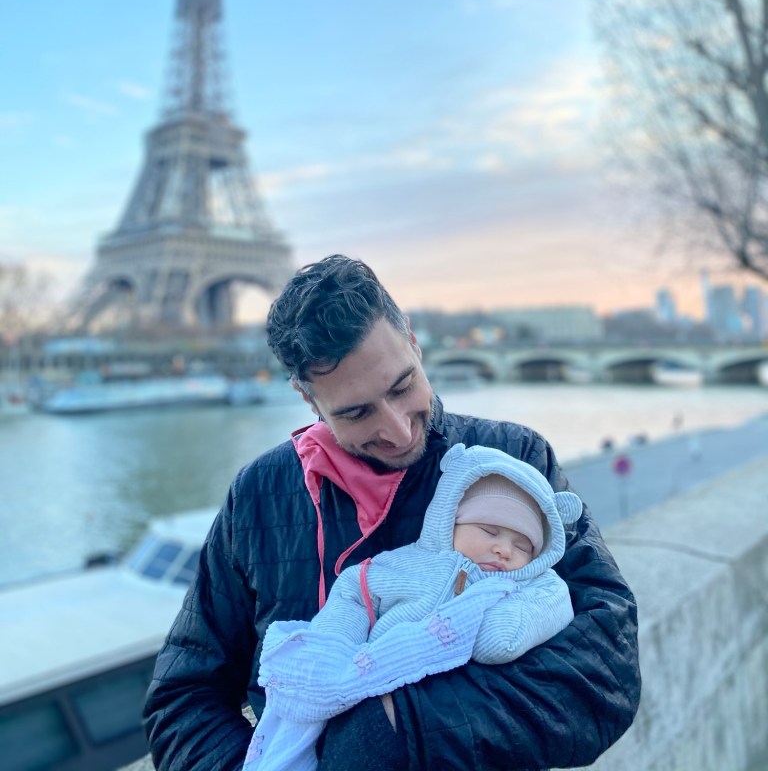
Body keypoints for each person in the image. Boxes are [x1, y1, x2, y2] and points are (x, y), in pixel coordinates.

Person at [144, 254, 641, 771]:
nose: (399, 430)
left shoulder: (514, 459)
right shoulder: (256, 495)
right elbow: (183, 697)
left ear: (413, 342)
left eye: (403, 387)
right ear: (309, 400)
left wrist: (395, 728)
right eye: (356, 413)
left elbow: (608, 666)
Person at [243, 442, 583, 771]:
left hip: (460, 720)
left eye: (523, 545)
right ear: (451, 519)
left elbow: (501, 640)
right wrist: (337, 647)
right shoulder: (410, 564)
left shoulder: (532, 587)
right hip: (371, 692)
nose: (504, 550)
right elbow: (354, 591)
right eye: (489, 530)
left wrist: (495, 609)